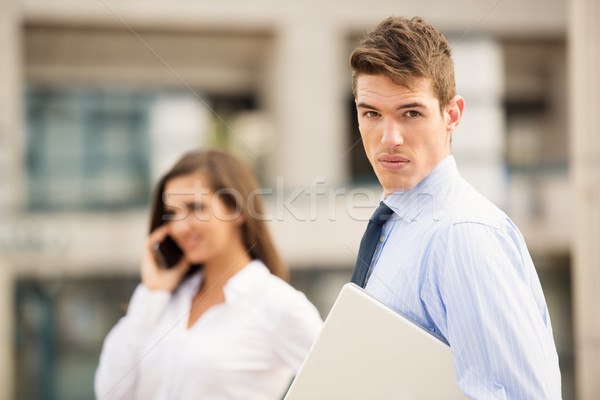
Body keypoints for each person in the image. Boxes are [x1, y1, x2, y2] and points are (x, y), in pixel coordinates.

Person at [349, 16, 561, 399]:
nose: (389, 137)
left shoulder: (462, 234)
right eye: (372, 114)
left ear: (452, 115)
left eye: (411, 113)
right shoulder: (398, 227)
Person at [95, 148, 323, 400]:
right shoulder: (162, 300)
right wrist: (153, 293)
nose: (180, 227)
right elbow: (109, 393)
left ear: (236, 209)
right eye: (172, 213)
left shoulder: (277, 305)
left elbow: (344, 384)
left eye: (195, 208)